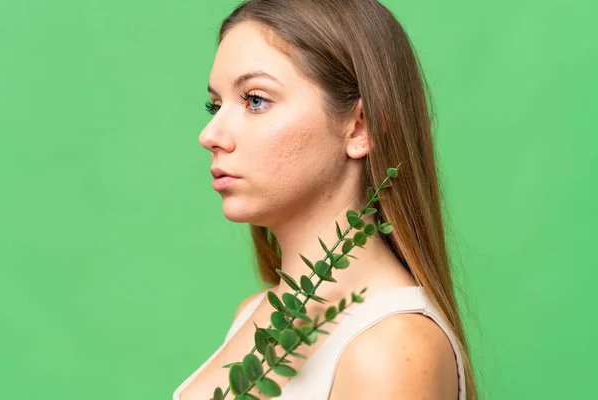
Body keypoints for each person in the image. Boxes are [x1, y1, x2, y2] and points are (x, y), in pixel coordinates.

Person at [174, 0, 478, 399]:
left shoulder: (390, 348)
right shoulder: (254, 314)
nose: (210, 134)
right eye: (215, 105)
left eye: (255, 99)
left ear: (359, 128)